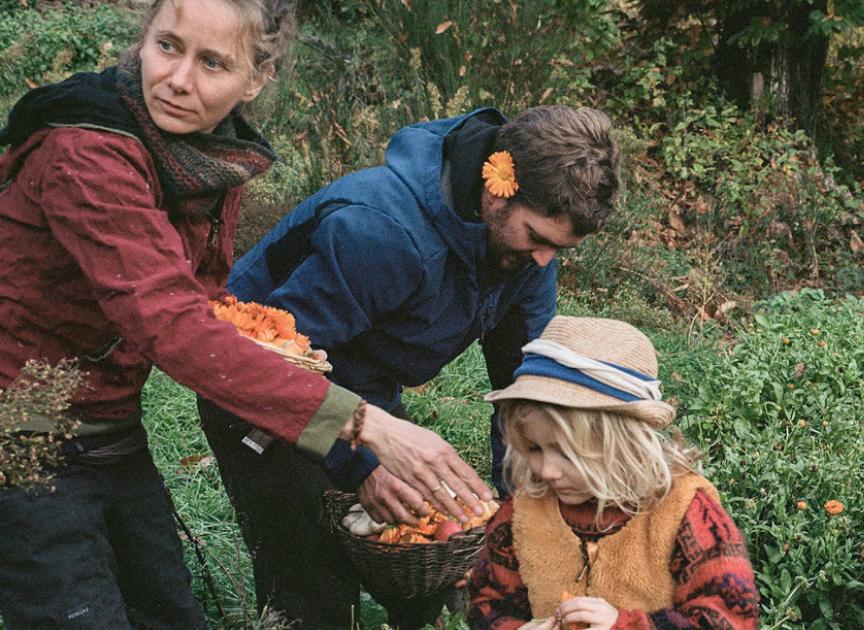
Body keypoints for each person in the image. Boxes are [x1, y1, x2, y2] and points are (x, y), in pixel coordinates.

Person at [0, 0, 493, 626]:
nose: (178, 79)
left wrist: (272, 351)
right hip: (20, 426)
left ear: (255, 80)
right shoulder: (86, 151)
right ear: (144, 38)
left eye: (212, 63)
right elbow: (166, 321)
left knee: (168, 610)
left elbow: (199, 296)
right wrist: (363, 422)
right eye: (167, 46)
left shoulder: (211, 160)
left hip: (106, 423)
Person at [196, 105, 619, 627]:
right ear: (497, 191)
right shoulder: (382, 232)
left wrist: (519, 515)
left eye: (559, 248)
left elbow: (526, 390)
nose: (543, 261)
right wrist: (361, 467)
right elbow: (278, 371)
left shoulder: (525, 256)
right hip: (257, 388)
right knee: (316, 586)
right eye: (537, 238)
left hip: (365, 382)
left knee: (430, 560)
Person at [467, 315, 760, 629]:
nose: (548, 471)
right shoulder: (523, 514)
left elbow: (732, 617)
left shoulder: (683, 511)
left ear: (624, 443)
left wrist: (628, 626)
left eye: (567, 452)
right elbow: (487, 604)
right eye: (535, 449)